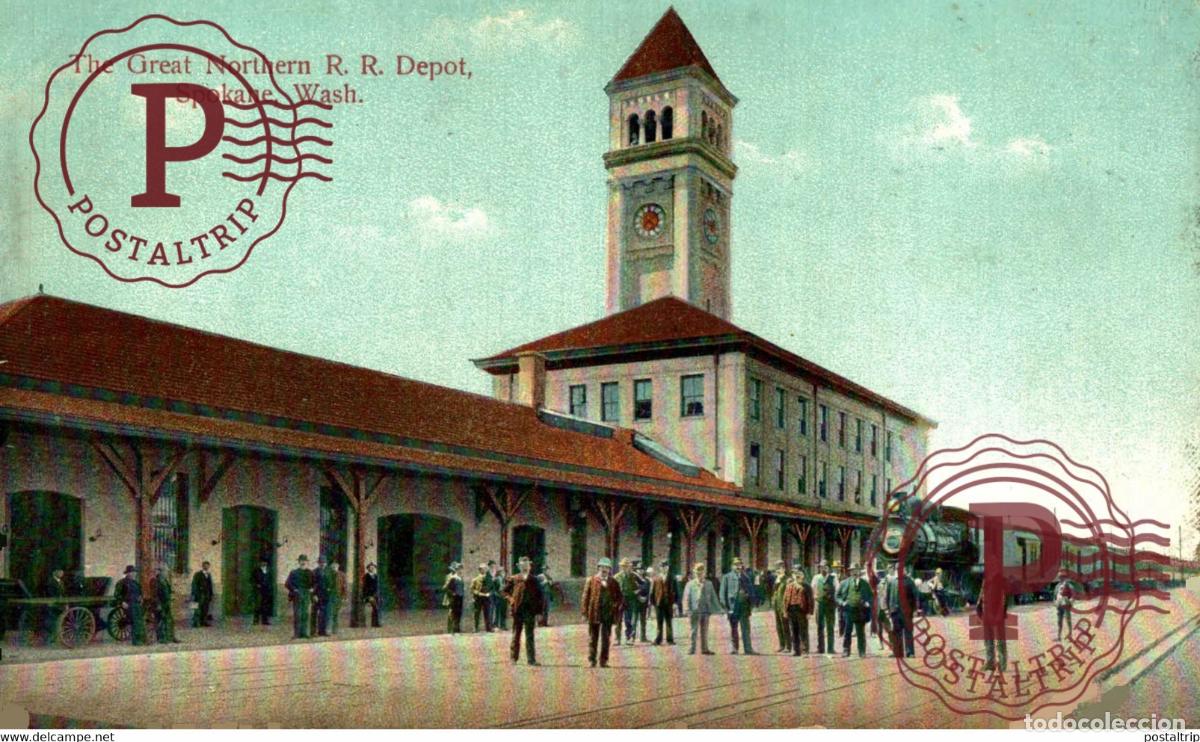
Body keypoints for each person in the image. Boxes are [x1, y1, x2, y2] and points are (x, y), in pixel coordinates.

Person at [580, 557, 623, 667]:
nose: (604, 570)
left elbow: (619, 598)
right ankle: (592, 660)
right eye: (602, 567)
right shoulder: (592, 580)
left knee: (606, 638)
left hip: (608, 614)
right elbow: (585, 597)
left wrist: (615, 607)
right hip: (594, 612)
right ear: (598, 568)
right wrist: (584, 613)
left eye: (607, 568)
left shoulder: (613, 582)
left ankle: (604, 661)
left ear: (609, 569)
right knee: (593, 638)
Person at [502, 555, 544, 665]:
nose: (525, 567)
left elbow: (540, 597)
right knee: (516, 634)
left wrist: (539, 612)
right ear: (519, 566)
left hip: (530, 611)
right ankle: (513, 658)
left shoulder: (534, 580)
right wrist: (511, 600)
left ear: (530, 566)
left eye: (527, 565)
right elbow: (504, 592)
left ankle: (531, 660)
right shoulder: (514, 579)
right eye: (523, 565)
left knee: (530, 635)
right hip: (518, 611)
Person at [719, 557, 756, 655]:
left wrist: (751, 602)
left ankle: (748, 648)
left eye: (739, 564)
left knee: (746, 628)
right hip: (733, 607)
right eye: (736, 564)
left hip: (744, 606)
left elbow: (751, 591)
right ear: (732, 566)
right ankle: (734, 648)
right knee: (734, 628)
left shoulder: (746, 577)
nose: (738, 566)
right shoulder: (727, 577)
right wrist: (727, 608)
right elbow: (722, 594)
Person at [837, 563, 873, 658]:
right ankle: (846, 650)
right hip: (848, 610)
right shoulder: (844, 583)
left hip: (860, 611)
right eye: (852, 570)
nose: (854, 572)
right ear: (850, 572)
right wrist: (842, 602)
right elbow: (838, 596)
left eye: (856, 570)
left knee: (860, 632)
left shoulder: (865, 584)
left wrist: (867, 603)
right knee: (847, 631)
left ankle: (862, 651)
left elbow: (871, 596)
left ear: (859, 571)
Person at [976, 577, 1012, 672]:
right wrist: (979, 607)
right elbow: (981, 593)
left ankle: (1002, 665)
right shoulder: (985, 579)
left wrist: (1002, 613)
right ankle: (990, 663)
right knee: (988, 640)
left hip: (997, 614)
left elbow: (1005, 597)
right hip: (986, 613)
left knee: (1000, 640)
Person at [684, 563, 720, 655]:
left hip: (705, 610)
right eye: (697, 573)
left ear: (704, 573)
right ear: (694, 573)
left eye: (701, 573)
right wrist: (687, 609)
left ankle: (704, 648)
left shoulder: (709, 584)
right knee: (693, 631)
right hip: (694, 610)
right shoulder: (690, 584)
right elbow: (686, 597)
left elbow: (713, 597)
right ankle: (691, 648)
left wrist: (719, 609)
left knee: (704, 630)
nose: (699, 574)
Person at [884, 563, 917, 658]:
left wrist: (915, 610)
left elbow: (915, 596)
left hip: (907, 612)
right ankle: (897, 652)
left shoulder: (909, 581)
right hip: (895, 611)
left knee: (908, 632)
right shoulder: (892, 582)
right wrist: (887, 610)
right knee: (896, 632)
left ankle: (910, 652)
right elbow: (888, 596)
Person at [783, 567, 814, 656]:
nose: (797, 576)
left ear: (802, 576)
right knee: (794, 631)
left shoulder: (807, 586)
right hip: (791, 610)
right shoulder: (789, 586)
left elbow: (810, 601)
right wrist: (785, 611)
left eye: (799, 574)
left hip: (802, 611)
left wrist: (809, 612)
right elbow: (785, 599)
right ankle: (796, 650)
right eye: (795, 574)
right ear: (793, 576)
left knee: (803, 631)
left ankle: (805, 650)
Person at [114, 565, 147, 646]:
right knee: (135, 621)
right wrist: (122, 602)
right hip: (128, 605)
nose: (133, 574)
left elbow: (140, 593)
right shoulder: (121, 583)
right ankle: (136, 641)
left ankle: (142, 640)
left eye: (134, 572)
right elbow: (116, 594)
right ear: (128, 573)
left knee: (140, 621)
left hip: (137, 604)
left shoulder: (136, 583)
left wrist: (141, 598)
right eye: (132, 572)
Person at [285, 554, 315, 640]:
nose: (303, 562)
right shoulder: (294, 572)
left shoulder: (310, 573)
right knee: (298, 614)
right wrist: (294, 589)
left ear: (307, 562)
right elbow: (287, 583)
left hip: (306, 595)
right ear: (298, 562)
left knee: (305, 614)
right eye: (301, 560)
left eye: (304, 561)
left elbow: (315, 583)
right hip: (297, 595)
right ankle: (297, 634)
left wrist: (312, 589)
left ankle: (305, 633)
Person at [811, 561, 838, 654]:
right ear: (820, 568)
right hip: (820, 605)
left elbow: (837, 590)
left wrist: (835, 601)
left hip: (830, 605)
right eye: (822, 567)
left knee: (830, 627)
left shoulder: (833, 578)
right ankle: (820, 648)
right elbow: (812, 589)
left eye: (825, 567)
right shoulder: (816, 577)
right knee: (820, 626)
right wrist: (815, 596)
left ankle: (831, 648)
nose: (824, 569)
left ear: (828, 568)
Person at [150, 565, 181, 644]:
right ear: (161, 572)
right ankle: (161, 638)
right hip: (160, 604)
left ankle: (171, 637)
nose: (167, 573)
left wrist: (172, 595)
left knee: (170, 620)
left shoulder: (165, 580)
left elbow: (168, 591)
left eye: (167, 571)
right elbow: (154, 595)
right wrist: (158, 605)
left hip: (166, 604)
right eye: (165, 571)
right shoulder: (156, 581)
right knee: (160, 621)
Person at [651, 560, 677, 645]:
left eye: (666, 566)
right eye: (662, 567)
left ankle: (670, 639)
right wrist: (652, 603)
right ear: (659, 568)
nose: (664, 568)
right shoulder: (656, 578)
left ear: (668, 567)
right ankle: (658, 639)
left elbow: (676, 591)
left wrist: (675, 603)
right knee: (659, 622)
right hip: (659, 603)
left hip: (669, 603)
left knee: (669, 621)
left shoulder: (672, 578)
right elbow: (652, 591)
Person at [614, 558, 639, 644]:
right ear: (621, 567)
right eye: (623, 566)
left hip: (630, 600)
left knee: (628, 620)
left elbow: (644, 584)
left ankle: (629, 638)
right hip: (620, 600)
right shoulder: (617, 577)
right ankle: (617, 639)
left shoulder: (633, 576)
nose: (625, 568)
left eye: (627, 566)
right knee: (618, 620)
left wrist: (637, 592)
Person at [771, 560, 791, 653]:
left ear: (784, 569)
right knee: (779, 625)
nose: (779, 570)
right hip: (776, 605)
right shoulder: (776, 579)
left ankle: (788, 645)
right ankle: (782, 645)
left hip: (784, 605)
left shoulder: (787, 579)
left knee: (785, 625)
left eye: (781, 568)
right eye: (777, 568)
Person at [190, 561, 214, 628]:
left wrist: (211, 594)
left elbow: (210, 586)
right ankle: (196, 623)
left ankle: (204, 622)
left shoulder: (209, 574)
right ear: (202, 566)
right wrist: (195, 594)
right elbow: (194, 584)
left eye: (208, 566)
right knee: (197, 609)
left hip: (206, 595)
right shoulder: (197, 574)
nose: (206, 567)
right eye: (205, 565)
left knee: (205, 609)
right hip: (199, 595)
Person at [442, 562, 465, 634]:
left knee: (459, 613)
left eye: (461, 569)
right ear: (456, 570)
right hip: (454, 598)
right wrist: (453, 593)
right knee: (453, 613)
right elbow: (446, 588)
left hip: (460, 597)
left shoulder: (460, 578)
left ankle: (457, 629)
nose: (460, 570)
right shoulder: (452, 578)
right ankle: (452, 630)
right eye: (458, 569)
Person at [470, 563, 493, 632]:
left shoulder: (489, 579)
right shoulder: (475, 580)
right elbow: (472, 590)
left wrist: (489, 593)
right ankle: (475, 628)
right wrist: (480, 594)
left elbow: (492, 588)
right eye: (483, 569)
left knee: (487, 614)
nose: (484, 570)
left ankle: (488, 628)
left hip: (487, 599)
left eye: (485, 569)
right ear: (480, 570)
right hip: (478, 599)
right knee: (476, 614)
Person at [311, 556, 330, 637]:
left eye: (324, 562)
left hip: (326, 596)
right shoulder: (314, 572)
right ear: (318, 563)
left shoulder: (329, 572)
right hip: (317, 595)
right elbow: (312, 584)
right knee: (315, 613)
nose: (323, 564)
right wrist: (314, 595)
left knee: (324, 614)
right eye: (321, 562)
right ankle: (313, 631)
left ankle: (322, 631)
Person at [1054, 570, 1074, 640]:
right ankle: (1059, 636)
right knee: (1059, 621)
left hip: (1065, 604)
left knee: (1068, 620)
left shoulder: (1068, 585)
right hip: (1059, 605)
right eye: (1059, 577)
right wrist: (1055, 602)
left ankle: (1070, 635)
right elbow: (1055, 596)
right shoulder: (1057, 586)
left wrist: (1071, 601)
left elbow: (1073, 594)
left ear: (1065, 577)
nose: (1060, 578)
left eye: (1062, 577)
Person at [252, 560, 273, 626]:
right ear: (260, 563)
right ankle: (256, 620)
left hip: (266, 590)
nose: (263, 564)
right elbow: (252, 579)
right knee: (257, 605)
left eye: (265, 562)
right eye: (262, 562)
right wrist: (256, 585)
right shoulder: (256, 570)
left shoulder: (269, 571)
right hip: (259, 590)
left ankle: (265, 620)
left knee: (265, 605)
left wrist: (269, 587)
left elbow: (270, 579)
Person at [327, 561, 347, 635]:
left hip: (338, 596)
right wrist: (327, 589)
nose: (334, 568)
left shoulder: (342, 575)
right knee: (329, 613)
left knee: (337, 613)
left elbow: (344, 586)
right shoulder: (328, 574)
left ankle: (335, 630)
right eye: (332, 567)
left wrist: (344, 597)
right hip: (330, 596)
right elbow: (325, 584)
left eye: (335, 567)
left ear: (338, 567)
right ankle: (329, 629)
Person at [634, 566, 651, 642]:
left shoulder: (647, 580)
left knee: (643, 621)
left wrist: (646, 598)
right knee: (634, 621)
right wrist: (639, 597)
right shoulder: (634, 580)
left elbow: (648, 591)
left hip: (644, 603)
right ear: (636, 571)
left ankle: (643, 637)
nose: (640, 571)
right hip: (636, 602)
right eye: (639, 569)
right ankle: (632, 637)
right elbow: (633, 591)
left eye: (642, 569)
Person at [363, 563, 381, 628]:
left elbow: (377, 586)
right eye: (370, 567)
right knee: (373, 608)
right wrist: (368, 596)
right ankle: (372, 623)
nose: (372, 568)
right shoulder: (366, 576)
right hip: (370, 595)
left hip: (375, 594)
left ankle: (375, 623)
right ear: (368, 568)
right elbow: (365, 587)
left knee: (376, 609)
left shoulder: (376, 576)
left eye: (373, 567)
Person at [492, 565, 508, 631]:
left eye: (503, 571)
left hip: (504, 597)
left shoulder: (505, 579)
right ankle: (496, 625)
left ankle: (503, 625)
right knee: (497, 611)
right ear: (499, 572)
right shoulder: (495, 579)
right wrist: (497, 595)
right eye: (501, 571)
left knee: (503, 611)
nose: (503, 573)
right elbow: (493, 589)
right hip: (498, 596)